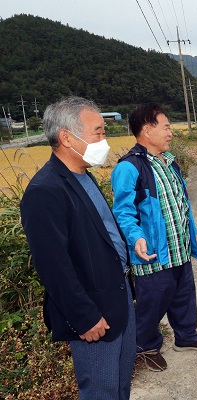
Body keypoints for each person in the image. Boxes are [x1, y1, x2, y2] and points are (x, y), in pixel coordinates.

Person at [20, 96, 136, 399]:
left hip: (118, 295)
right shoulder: (45, 191)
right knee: (101, 390)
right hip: (94, 312)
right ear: (67, 137)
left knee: (121, 384)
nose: (104, 140)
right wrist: (84, 316)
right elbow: (53, 266)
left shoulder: (83, 176)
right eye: (98, 132)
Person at [111, 104, 197, 372]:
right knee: (151, 303)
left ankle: (186, 337)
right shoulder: (129, 167)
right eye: (166, 126)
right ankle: (145, 348)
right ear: (147, 130)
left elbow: (182, 203)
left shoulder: (170, 163)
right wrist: (135, 237)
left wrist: (194, 232)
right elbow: (123, 212)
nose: (170, 132)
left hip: (178, 248)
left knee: (183, 296)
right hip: (153, 253)